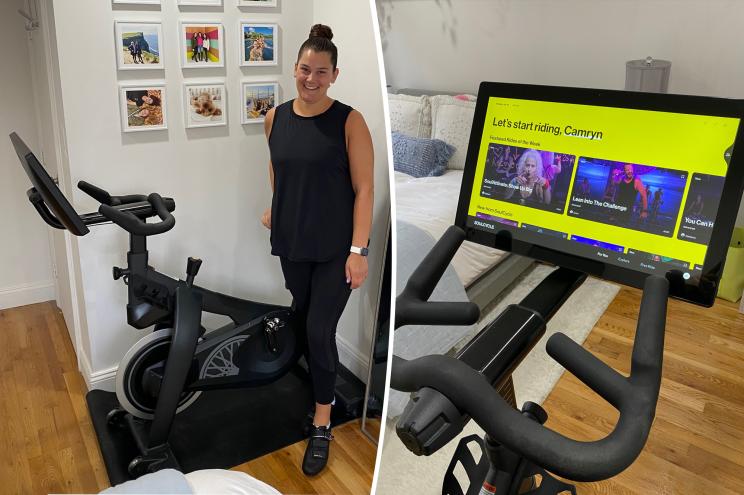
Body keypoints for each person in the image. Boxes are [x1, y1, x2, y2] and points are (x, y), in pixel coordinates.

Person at [260, 24, 373, 476]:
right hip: (292, 240)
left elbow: (364, 189)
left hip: (334, 249)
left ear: (334, 74)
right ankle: (321, 387)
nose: (310, 79)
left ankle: (322, 421)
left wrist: (358, 249)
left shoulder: (350, 120)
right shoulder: (274, 117)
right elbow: (278, 168)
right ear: (295, 68)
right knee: (305, 321)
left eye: (320, 72)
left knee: (320, 330)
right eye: (305, 69)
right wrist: (274, 206)